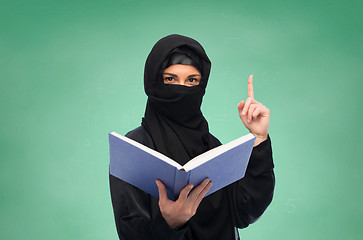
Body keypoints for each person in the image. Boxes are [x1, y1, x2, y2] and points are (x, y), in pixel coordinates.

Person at [109, 34, 275, 240]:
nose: (181, 89)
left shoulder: (212, 146)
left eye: (192, 80)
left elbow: (245, 211)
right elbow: (130, 233)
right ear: (152, 82)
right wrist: (170, 224)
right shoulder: (133, 150)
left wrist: (259, 138)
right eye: (170, 79)